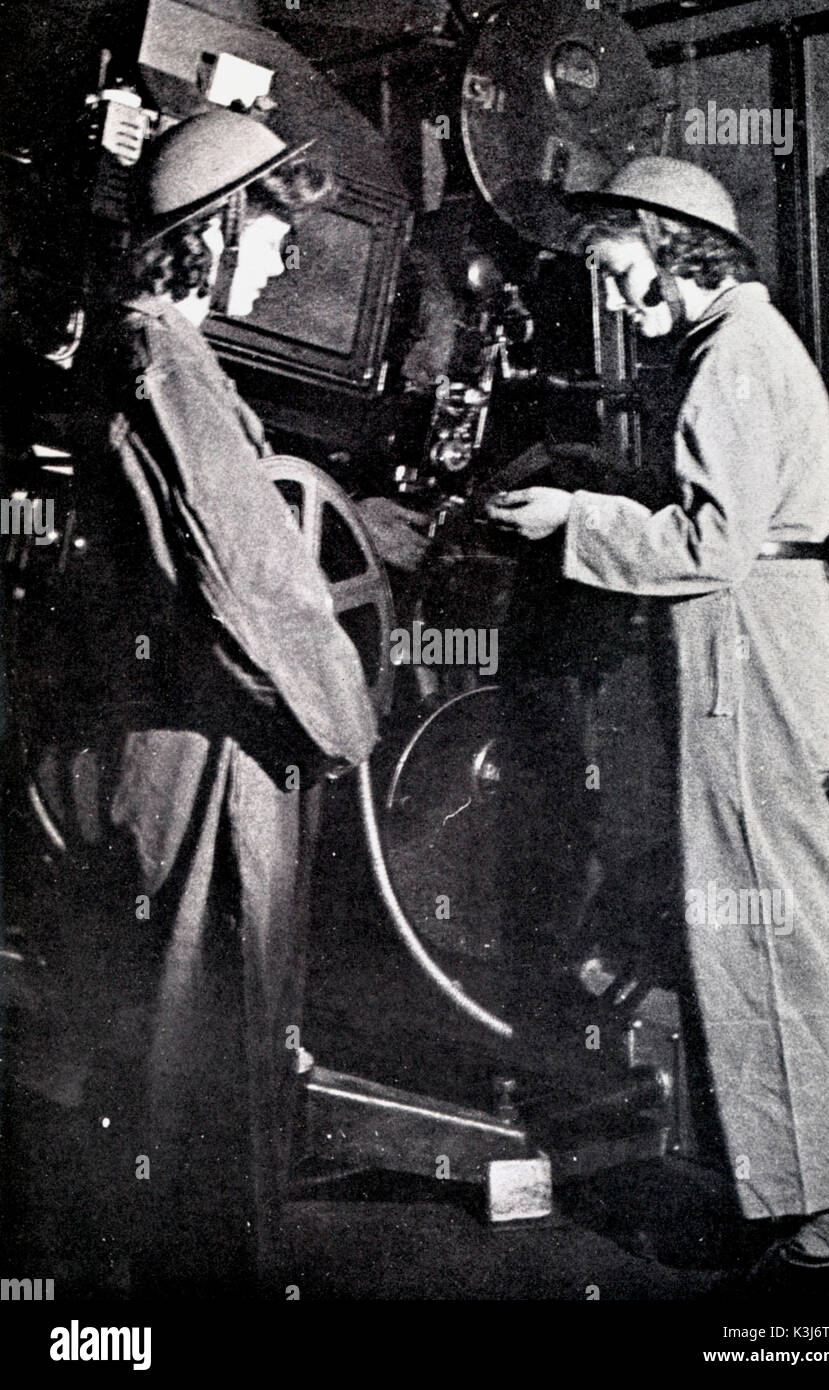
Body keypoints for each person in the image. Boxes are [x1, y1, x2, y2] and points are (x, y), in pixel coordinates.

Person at [487, 156, 829, 1294]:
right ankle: (815, 1202)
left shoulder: (735, 356)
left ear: (671, 240)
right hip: (759, 649)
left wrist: (575, 516)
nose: (614, 295)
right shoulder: (741, 350)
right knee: (768, 933)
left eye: (616, 267)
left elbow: (711, 543)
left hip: (748, 655)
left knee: (772, 939)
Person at [4, 109, 378, 1297]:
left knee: (172, 1045)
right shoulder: (169, 364)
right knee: (206, 1044)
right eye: (268, 229)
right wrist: (343, 718)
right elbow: (248, 582)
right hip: (200, 753)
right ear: (210, 235)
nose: (283, 256)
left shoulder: (145, 354)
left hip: (157, 737)